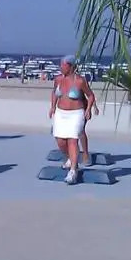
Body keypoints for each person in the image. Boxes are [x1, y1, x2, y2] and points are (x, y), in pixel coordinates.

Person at [48, 54, 97, 184]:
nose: (61, 67)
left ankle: (73, 170)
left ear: (70, 67)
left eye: (63, 65)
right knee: (60, 140)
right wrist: (52, 107)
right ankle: (70, 158)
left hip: (76, 114)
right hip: (61, 113)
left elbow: (90, 96)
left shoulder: (80, 81)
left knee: (72, 140)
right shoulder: (58, 79)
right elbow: (54, 93)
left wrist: (88, 109)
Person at [79, 97, 101, 165]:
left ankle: (85, 155)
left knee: (81, 130)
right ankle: (73, 152)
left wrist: (93, 107)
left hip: (82, 108)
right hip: (69, 109)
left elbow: (90, 95)